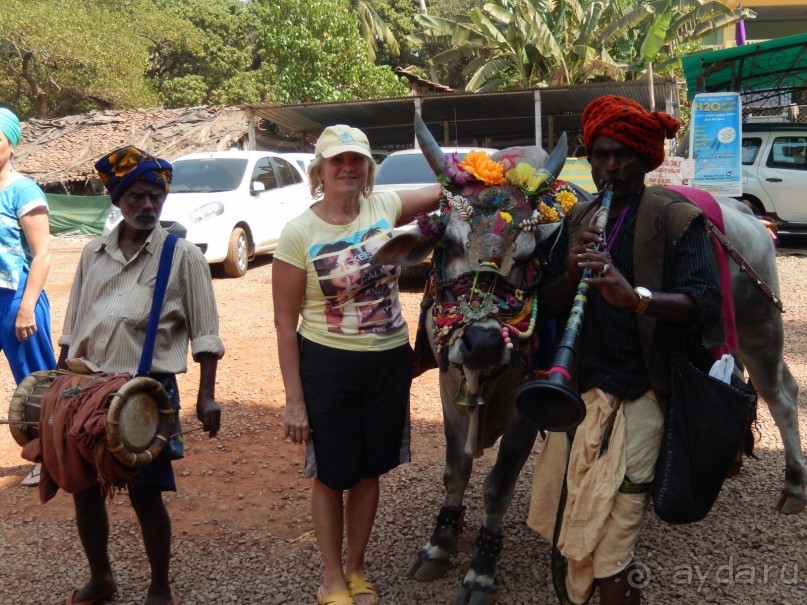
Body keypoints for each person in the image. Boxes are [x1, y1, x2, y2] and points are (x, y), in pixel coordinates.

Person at [527, 96, 723, 605]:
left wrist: (634, 297)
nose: (609, 166)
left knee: (614, 543)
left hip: (648, 394)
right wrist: (570, 272)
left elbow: (705, 304)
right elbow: (548, 305)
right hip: (585, 391)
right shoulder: (581, 218)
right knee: (574, 520)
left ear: (645, 158)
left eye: (621, 155)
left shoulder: (676, 219)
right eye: (599, 155)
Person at [273, 125, 441, 605]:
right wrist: (294, 401)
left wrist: (499, 171)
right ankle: (331, 577)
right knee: (332, 473)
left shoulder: (383, 207)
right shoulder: (298, 233)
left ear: (368, 168)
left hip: (389, 361)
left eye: (357, 160)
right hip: (328, 365)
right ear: (320, 169)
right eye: (337, 161)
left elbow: (448, 188)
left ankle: (357, 567)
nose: (348, 168)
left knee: (370, 472)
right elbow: (286, 325)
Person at [53, 147, 224, 605]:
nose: (148, 206)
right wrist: (58, 377)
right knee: (84, 490)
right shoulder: (94, 252)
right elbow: (73, 323)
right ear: (118, 201)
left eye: (156, 196)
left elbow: (206, 333)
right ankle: (101, 578)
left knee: (146, 497)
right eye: (137, 197)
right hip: (87, 389)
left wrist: (205, 397)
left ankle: (160, 587)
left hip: (146, 394)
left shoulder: (182, 255)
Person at [0, 106, 57, 487]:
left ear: (11, 143)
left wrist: (25, 309)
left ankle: (51, 457)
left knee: (35, 382)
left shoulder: (23, 190)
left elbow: (44, 253)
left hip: (17, 297)